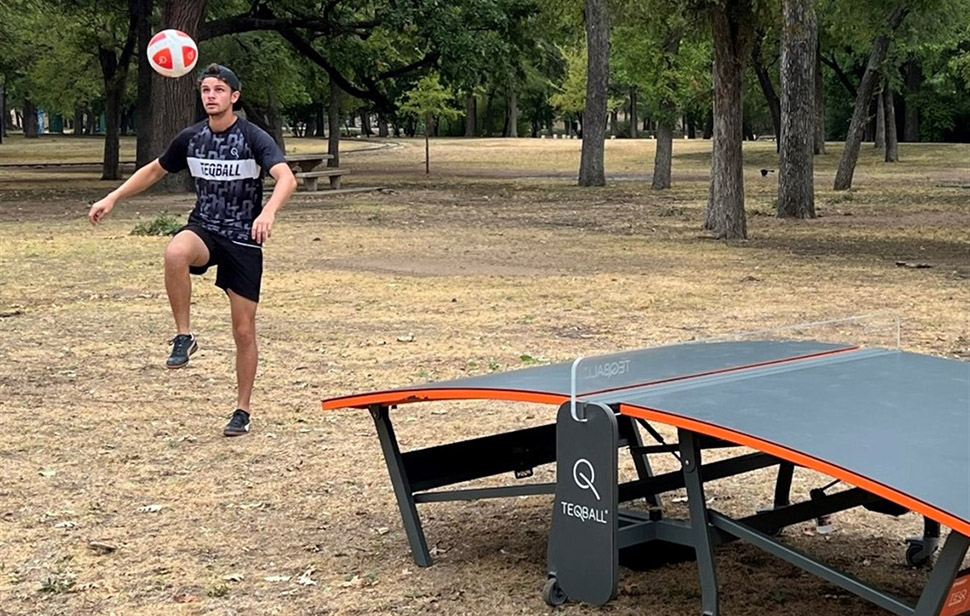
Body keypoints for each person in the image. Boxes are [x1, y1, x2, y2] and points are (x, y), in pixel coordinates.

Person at [88, 63, 297, 437]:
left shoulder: (252, 137)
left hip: (243, 238)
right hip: (205, 228)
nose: (211, 96)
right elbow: (154, 170)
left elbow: (286, 177)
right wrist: (113, 196)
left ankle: (242, 410)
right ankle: (184, 335)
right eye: (206, 91)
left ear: (234, 96)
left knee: (244, 331)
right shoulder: (191, 138)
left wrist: (268, 212)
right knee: (175, 252)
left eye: (219, 90)